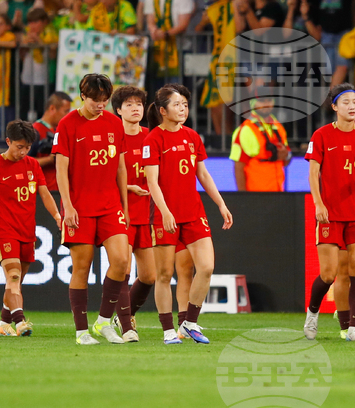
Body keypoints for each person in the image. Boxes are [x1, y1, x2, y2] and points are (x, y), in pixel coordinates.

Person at [144, 83, 233, 343]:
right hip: (165, 215)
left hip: (193, 212)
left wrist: (221, 204)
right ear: (162, 110)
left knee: (206, 267)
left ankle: (189, 323)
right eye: (176, 105)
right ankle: (168, 330)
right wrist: (165, 211)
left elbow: (202, 174)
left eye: (184, 104)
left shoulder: (193, 136)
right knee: (164, 275)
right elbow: (152, 182)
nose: (182, 109)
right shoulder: (153, 139)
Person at [51, 73, 131, 345]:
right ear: (82, 96)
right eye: (96, 100)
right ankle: (81, 332)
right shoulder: (67, 124)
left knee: (121, 261)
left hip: (110, 206)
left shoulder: (114, 124)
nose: (101, 105)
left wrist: (125, 205)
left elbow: (121, 167)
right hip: (79, 207)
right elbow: (61, 170)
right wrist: (68, 206)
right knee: (81, 267)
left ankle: (104, 322)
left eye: (105, 100)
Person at [304, 84, 355, 342]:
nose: (352, 106)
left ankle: (353, 328)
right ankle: (312, 313)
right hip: (330, 213)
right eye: (345, 101)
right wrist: (318, 203)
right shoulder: (322, 135)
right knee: (329, 273)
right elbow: (313, 172)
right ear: (334, 107)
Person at [0, 120, 61, 337]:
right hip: (5, 231)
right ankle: (20, 321)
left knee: (17, 281)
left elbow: (45, 193)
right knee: (12, 276)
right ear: (8, 142)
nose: (23, 152)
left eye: (27, 147)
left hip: (28, 232)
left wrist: (58, 216)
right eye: (19, 147)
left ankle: (4, 324)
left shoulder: (33, 165)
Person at [111, 86, 154, 337]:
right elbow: (104, 176)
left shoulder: (152, 136)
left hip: (147, 214)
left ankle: (123, 316)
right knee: (123, 271)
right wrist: (128, 187)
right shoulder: (114, 138)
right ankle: (127, 327)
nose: (135, 108)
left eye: (139, 103)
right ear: (118, 110)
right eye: (129, 104)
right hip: (121, 212)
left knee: (149, 275)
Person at [300, 0, 355, 86]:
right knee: (328, 70)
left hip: (343, 34)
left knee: (342, 66)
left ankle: (330, 99)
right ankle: (330, 98)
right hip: (326, 34)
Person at [196, 0, 237, 134]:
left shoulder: (237, 3)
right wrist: (204, 21)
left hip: (233, 58)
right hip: (217, 58)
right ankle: (221, 138)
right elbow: (198, 29)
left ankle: (228, 141)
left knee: (226, 103)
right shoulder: (213, 8)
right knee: (213, 102)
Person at [143, 0, 194, 79]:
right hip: (157, 49)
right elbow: (150, 18)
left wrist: (166, 34)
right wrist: (153, 30)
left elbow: (183, 24)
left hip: (179, 48)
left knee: (176, 87)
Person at [230, 94, 291, 192]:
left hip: (279, 193)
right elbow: (239, 167)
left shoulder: (278, 127)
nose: (266, 104)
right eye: (262, 101)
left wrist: (286, 156)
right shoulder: (246, 129)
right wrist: (242, 198)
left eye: (269, 100)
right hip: (255, 195)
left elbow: (286, 161)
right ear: (253, 103)